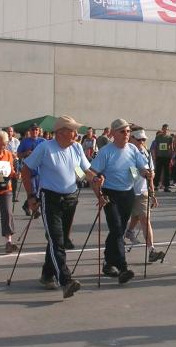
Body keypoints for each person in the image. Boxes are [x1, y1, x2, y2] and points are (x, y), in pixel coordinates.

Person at [23, 116, 96, 297]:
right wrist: (31, 195)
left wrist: (95, 178)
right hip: (50, 198)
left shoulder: (77, 147)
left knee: (59, 240)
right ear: (61, 132)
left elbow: (83, 170)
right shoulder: (45, 147)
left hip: (70, 198)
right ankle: (66, 280)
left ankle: (47, 274)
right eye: (73, 130)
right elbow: (26, 169)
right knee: (56, 240)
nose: (76, 134)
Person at [89, 119, 150, 284]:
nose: (126, 134)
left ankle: (108, 263)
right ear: (114, 133)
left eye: (128, 131)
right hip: (110, 194)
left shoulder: (132, 149)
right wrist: (99, 195)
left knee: (119, 230)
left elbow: (141, 167)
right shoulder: (105, 151)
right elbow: (92, 173)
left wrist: (146, 173)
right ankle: (123, 267)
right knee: (116, 228)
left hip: (128, 194)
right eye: (123, 131)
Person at [125, 128, 163, 261]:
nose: (141, 142)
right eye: (139, 139)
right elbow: (133, 174)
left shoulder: (146, 153)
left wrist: (152, 192)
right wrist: (143, 173)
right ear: (131, 139)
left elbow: (151, 174)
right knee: (130, 218)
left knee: (145, 219)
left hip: (142, 192)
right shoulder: (125, 153)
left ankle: (151, 250)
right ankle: (125, 236)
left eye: (143, 139)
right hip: (125, 192)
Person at [17, 123, 45, 215]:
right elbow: (18, 154)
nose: (35, 131)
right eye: (33, 130)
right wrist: (26, 153)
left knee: (39, 192)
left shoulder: (43, 141)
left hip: (40, 171)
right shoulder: (25, 142)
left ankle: (27, 205)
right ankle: (35, 210)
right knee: (32, 191)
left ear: (39, 131)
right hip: (29, 170)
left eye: (36, 130)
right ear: (29, 131)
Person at [151, 123, 174, 191]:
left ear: (168, 130)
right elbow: (155, 147)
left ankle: (166, 186)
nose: (165, 130)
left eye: (167, 129)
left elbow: (171, 148)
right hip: (159, 156)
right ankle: (156, 185)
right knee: (158, 171)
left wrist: (171, 157)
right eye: (164, 129)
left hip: (167, 157)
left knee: (167, 172)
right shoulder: (158, 137)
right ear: (162, 129)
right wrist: (155, 156)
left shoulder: (170, 138)